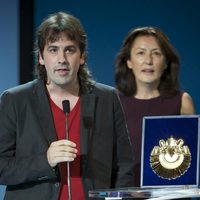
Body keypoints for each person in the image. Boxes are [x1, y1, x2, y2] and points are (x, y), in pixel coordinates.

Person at [0, 12, 134, 200]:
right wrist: (45, 160)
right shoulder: (15, 100)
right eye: (53, 50)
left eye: (69, 50)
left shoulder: (107, 98)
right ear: (41, 57)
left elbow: (124, 165)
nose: (61, 59)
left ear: (82, 57)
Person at [115, 26, 195, 186]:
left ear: (166, 62)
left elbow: (193, 159)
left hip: (171, 194)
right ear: (129, 61)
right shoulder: (114, 103)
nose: (148, 61)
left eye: (156, 53)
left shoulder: (182, 102)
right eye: (141, 53)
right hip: (127, 193)